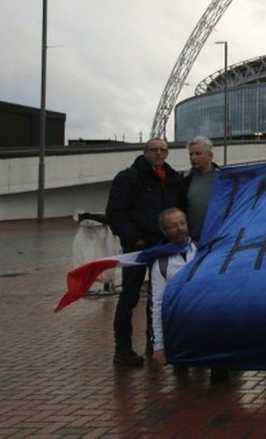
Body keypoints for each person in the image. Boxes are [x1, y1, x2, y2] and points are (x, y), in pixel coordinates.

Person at [105, 138, 184, 367]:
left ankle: (154, 343)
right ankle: (123, 349)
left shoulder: (174, 179)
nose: (158, 154)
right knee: (129, 297)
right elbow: (116, 213)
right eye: (153, 150)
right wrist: (135, 239)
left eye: (162, 150)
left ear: (167, 154)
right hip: (138, 249)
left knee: (158, 298)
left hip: (164, 247)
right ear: (145, 152)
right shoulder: (128, 178)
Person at [147, 208, 196, 366]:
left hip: (205, 322)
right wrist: (159, 346)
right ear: (164, 230)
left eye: (183, 223)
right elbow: (158, 304)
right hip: (179, 327)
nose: (181, 228)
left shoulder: (201, 250)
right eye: (174, 225)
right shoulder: (160, 264)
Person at [183, 136, 218, 242]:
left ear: (210, 155)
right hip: (193, 241)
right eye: (191, 154)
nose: (193, 157)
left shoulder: (223, 178)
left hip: (218, 239)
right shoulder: (184, 181)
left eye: (198, 154)